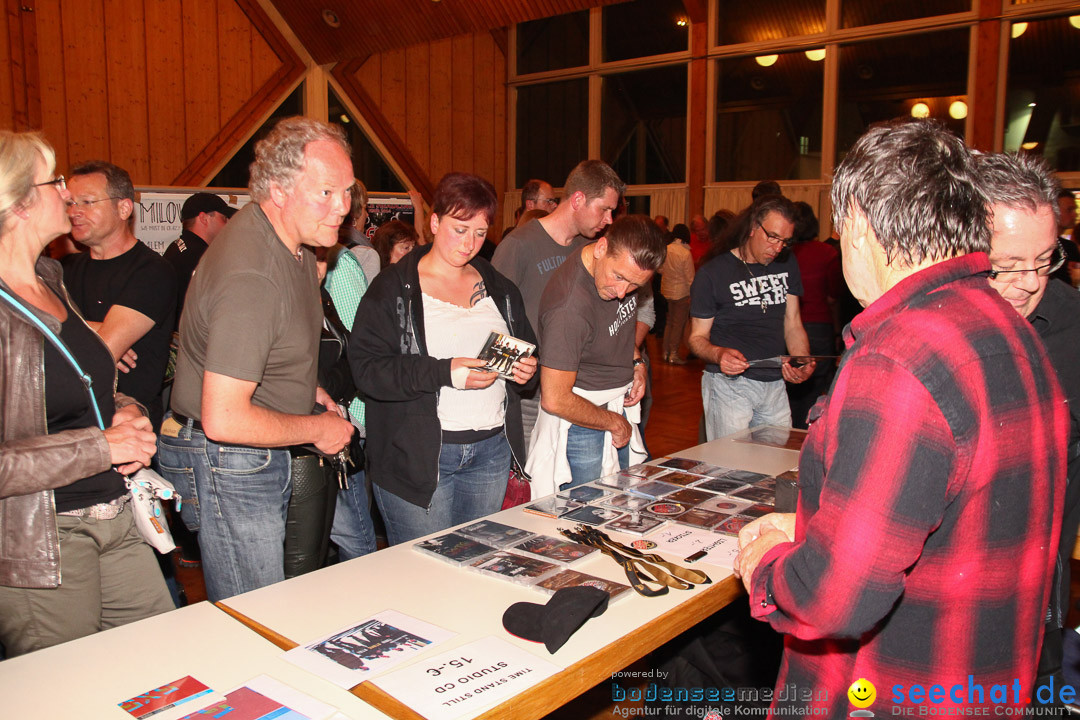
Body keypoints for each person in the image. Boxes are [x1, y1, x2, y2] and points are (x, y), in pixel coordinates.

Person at [734, 119, 1069, 715]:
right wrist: (813, 528)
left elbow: (834, 600)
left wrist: (763, 566)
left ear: (859, 221)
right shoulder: (1008, 330)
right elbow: (948, 516)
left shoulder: (900, 355)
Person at [156, 117, 356, 602]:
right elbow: (224, 418)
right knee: (255, 610)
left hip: (248, 451)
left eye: (348, 192)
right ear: (279, 190)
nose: (344, 208)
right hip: (229, 458)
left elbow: (267, 348)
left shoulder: (296, 247)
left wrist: (309, 391)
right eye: (327, 192)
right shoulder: (253, 273)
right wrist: (318, 429)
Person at [0, 131, 173, 656]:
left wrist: (128, 411)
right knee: (65, 691)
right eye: (56, 184)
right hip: (41, 538)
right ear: (22, 202)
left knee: (162, 661)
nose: (67, 197)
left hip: (113, 513)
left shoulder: (49, 278)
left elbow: (84, 382)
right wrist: (104, 446)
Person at [351, 172, 538, 545]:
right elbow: (367, 371)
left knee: (476, 562)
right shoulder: (393, 288)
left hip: (490, 452)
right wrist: (444, 371)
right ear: (434, 222)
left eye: (480, 233)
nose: (469, 243)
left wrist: (526, 371)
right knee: (425, 578)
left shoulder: (498, 287)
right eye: (459, 229)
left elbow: (526, 355)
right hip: (418, 458)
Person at [978, 151, 1080, 707]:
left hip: (1035, 588)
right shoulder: (925, 320)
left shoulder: (1072, 323)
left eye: (1045, 260)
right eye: (1006, 265)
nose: (1029, 283)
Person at [493, 160, 625, 456]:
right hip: (530, 396)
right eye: (604, 209)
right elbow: (491, 319)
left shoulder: (590, 248)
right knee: (534, 486)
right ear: (578, 199)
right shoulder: (518, 245)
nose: (609, 219)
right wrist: (515, 382)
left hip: (581, 391)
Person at [526, 215, 666, 494]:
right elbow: (555, 399)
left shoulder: (618, 270)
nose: (622, 293)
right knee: (586, 517)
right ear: (601, 248)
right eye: (619, 278)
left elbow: (617, 328)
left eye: (634, 286)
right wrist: (615, 423)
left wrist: (636, 361)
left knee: (624, 504)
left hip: (617, 406)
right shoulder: (568, 309)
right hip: (583, 421)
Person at [688, 194, 814, 440]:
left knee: (772, 468)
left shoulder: (787, 264)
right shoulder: (713, 273)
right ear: (754, 227)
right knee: (731, 468)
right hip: (729, 386)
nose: (778, 248)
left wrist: (800, 361)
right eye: (773, 237)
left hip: (775, 384)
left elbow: (793, 323)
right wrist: (719, 354)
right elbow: (696, 339)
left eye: (785, 241)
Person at [63, 161, 177, 427]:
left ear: (124, 208)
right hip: (71, 424)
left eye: (87, 202)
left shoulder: (152, 271)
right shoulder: (64, 270)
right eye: (70, 203)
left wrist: (65, 328)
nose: (74, 212)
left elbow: (102, 353)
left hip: (127, 424)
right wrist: (94, 328)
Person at [785, 201, 840, 429]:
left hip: (789, 328)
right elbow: (833, 297)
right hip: (819, 327)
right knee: (816, 390)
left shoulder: (784, 256)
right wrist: (837, 331)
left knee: (790, 389)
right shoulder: (827, 253)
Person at [162, 192, 237, 326]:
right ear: (204, 218)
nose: (227, 225)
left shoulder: (178, 247)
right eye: (224, 219)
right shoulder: (201, 256)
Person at [659, 222, 694, 364]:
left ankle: (665, 352)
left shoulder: (666, 249)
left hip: (666, 291)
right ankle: (673, 354)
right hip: (681, 293)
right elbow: (690, 278)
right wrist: (693, 295)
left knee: (669, 323)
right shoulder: (685, 253)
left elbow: (659, 269)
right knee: (678, 324)